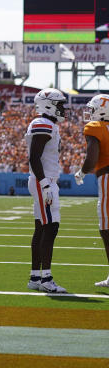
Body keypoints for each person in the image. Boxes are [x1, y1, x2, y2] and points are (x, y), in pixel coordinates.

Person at [25, 88, 68, 294]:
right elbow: (34, 157)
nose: (62, 108)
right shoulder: (43, 123)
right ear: (48, 104)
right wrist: (45, 184)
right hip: (45, 181)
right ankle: (46, 278)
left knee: (41, 228)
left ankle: (35, 276)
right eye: (59, 104)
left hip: (44, 180)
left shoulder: (47, 124)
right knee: (51, 227)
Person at [78, 93, 109, 287]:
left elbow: (91, 160)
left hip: (107, 178)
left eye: (93, 108)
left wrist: (81, 172)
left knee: (106, 228)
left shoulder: (95, 127)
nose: (90, 113)